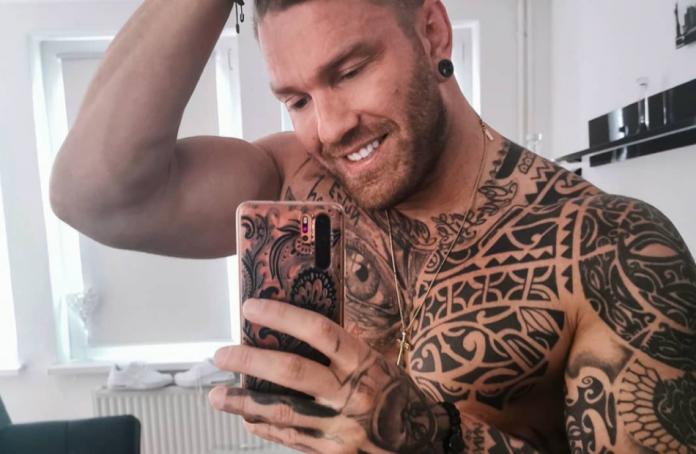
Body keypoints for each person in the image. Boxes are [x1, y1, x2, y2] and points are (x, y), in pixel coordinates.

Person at [50, 0, 696, 452]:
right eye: (297, 99)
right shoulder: (298, 182)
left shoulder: (611, 246)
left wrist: (432, 438)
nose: (329, 128)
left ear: (433, 32)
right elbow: (97, 197)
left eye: (350, 72)